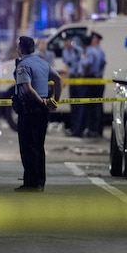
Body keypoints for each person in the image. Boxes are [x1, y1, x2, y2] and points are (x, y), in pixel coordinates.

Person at [13, 35, 62, 192]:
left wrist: (39, 102)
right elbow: (58, 79)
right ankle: (40, 181)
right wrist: (54, 101)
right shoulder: (42, 62)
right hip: (42, 111)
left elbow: (27, 88)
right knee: (39, 146)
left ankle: (31, 184)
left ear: (20, 49)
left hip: (29, 110)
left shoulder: (23, 66)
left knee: (28, 147)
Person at [80, 31, 106, 137]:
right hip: (98, 78)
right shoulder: (100, 51)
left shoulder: (90, 51)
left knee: (90, 106)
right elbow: (103, 63)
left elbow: (87, 64)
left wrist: (86, 76)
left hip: (91, 79)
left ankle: (91, 129)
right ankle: (98, 130)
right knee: (98, 106)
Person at [61, 34, 85, 137]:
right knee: (73, 104)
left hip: (78, 77)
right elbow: (68, 63)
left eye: (68, 41)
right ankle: (74, 128)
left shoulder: (78, 50)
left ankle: (79, 129)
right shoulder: (65, 52)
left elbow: (81, 62)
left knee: (79, 105)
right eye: (65, 41)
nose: (66, 43)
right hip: (71, 77)